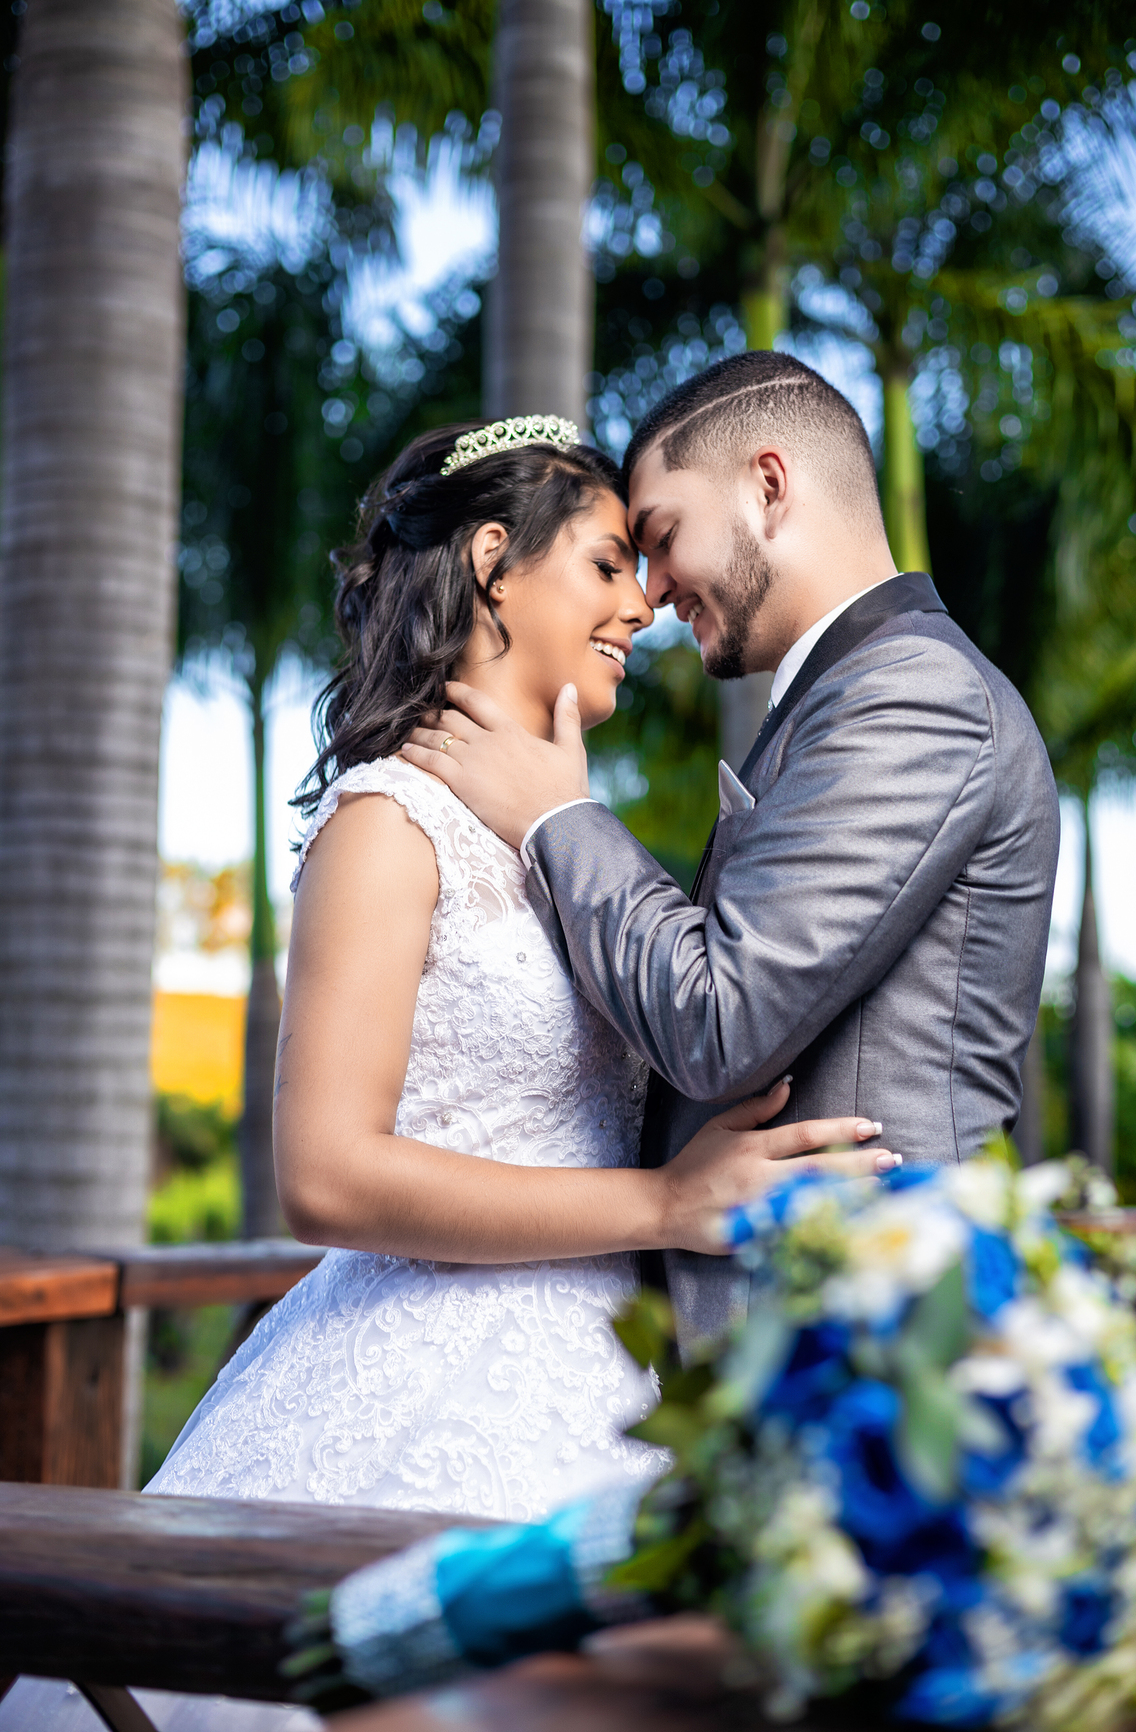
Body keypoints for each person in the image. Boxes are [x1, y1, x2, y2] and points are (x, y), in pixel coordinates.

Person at [143, 415, 896, 1524]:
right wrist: (665, 1203)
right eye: (607, 565)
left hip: (605, 1377)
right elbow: (325, 1176)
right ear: (493, 562)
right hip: (425, 1384)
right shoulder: (388, 821)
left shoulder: (567, 845)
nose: (642, 606)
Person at [400, 355, 1062, 1356]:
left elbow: (723, 1020)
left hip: (864, 1349)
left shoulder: (914, 693)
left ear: (768, 485)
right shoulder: (839, 696)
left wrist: (559, 818)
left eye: (663, 538)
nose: (654, 592)